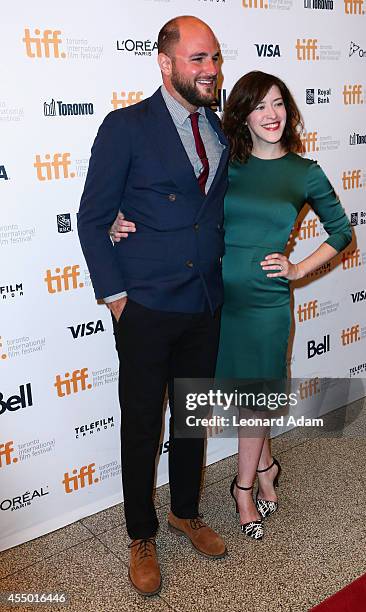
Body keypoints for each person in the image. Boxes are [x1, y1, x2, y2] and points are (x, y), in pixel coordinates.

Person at [112, 70, 352, 541]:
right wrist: (122, 218)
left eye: (279, 103)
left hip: (264, 306)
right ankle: (267, 468)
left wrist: (299, 269)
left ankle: (242, 489)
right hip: (212, 303)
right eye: (260, 106)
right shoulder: (224, 163)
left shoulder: (304, 172)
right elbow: (176, 205)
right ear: (240, 115)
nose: (272, 115)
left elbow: (341, 231)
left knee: (255, 402)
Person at [77, 16, 228, 597]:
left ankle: (185, 511)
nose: (210, 69)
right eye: (197, 59)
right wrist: (117, 299)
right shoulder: (126, 127)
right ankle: (141, 533)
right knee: (143, 424)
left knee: (192, 415)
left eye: (213, 57)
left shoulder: (219, 128)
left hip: (204, 303)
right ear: (165, 64)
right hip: (145, 306)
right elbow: (92, 219)